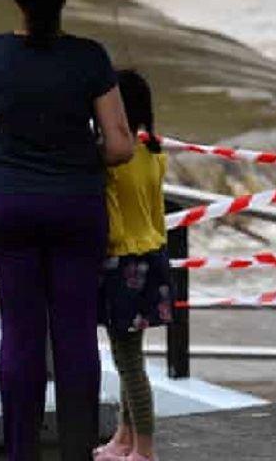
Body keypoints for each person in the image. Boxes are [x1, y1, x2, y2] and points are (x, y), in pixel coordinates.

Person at [0, 0, 134, 461]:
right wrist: (72, 149)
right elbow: (120, 146)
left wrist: (13, 142)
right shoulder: (90, 57)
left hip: (11, 204)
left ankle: (20, 453)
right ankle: (78, 452)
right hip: (77, 207)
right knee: (76, 333)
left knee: (20, 332)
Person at [94, 70, 172, 461]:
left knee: (129, 362)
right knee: (130, 355)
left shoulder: (111, 160)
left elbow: (110, 221)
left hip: (121, 263)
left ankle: (145, 449)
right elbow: (158, 218)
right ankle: (124, 438)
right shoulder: (154, 155)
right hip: (153, 259)